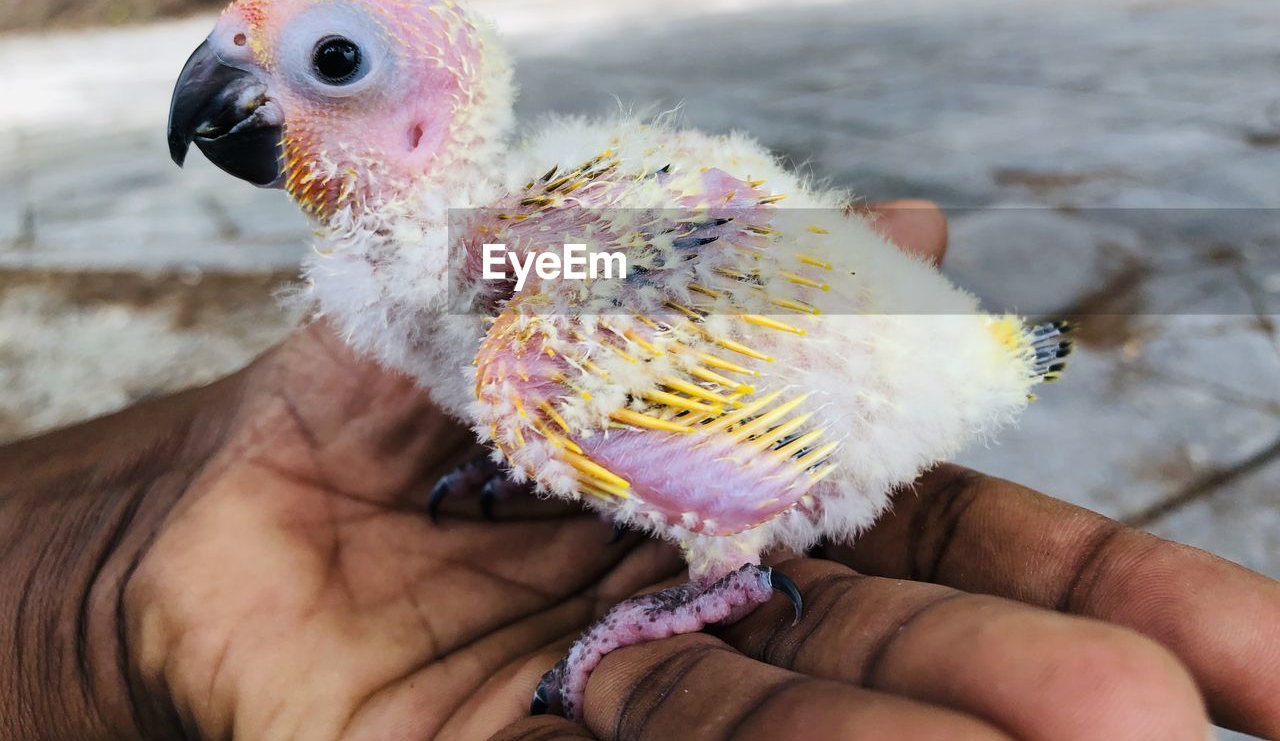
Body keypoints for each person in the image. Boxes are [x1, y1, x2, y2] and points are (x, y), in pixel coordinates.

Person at [1, 202, 1276, 741]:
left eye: (324, 71)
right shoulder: (475, 273)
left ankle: (706, 572)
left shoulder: (542, 279)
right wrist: (103, 581)